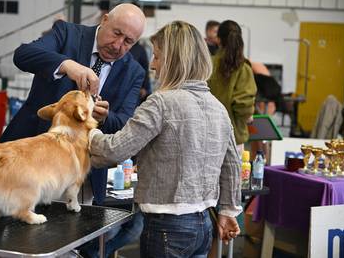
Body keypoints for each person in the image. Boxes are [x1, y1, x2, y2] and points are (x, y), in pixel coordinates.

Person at [89, 20, 242, 257]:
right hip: (204, 226)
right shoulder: (218, 108)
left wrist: (90, 133)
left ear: (173, 60)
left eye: (158, 57)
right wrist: (229, 211)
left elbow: (116, 150)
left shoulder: (161, 103)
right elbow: (231, 164)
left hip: (167, 228)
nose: (152, 65)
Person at [0, 3, 146, 205]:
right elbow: (23, 54)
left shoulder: (134, 72)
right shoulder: (67, 33)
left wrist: (104, 118)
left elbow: (123, 124)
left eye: (128, 41)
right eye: (116, 33)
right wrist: (67, 65)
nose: (117, 45)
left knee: (72, 233)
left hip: (80, 178)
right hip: (29, 157)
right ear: (104, 20)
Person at [207, 20, 257, 154]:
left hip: (208, 134)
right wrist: (249, 116)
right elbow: (244, 106)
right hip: (234, 137)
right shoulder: (243, 68)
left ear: (218, 39)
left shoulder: (208, 65)